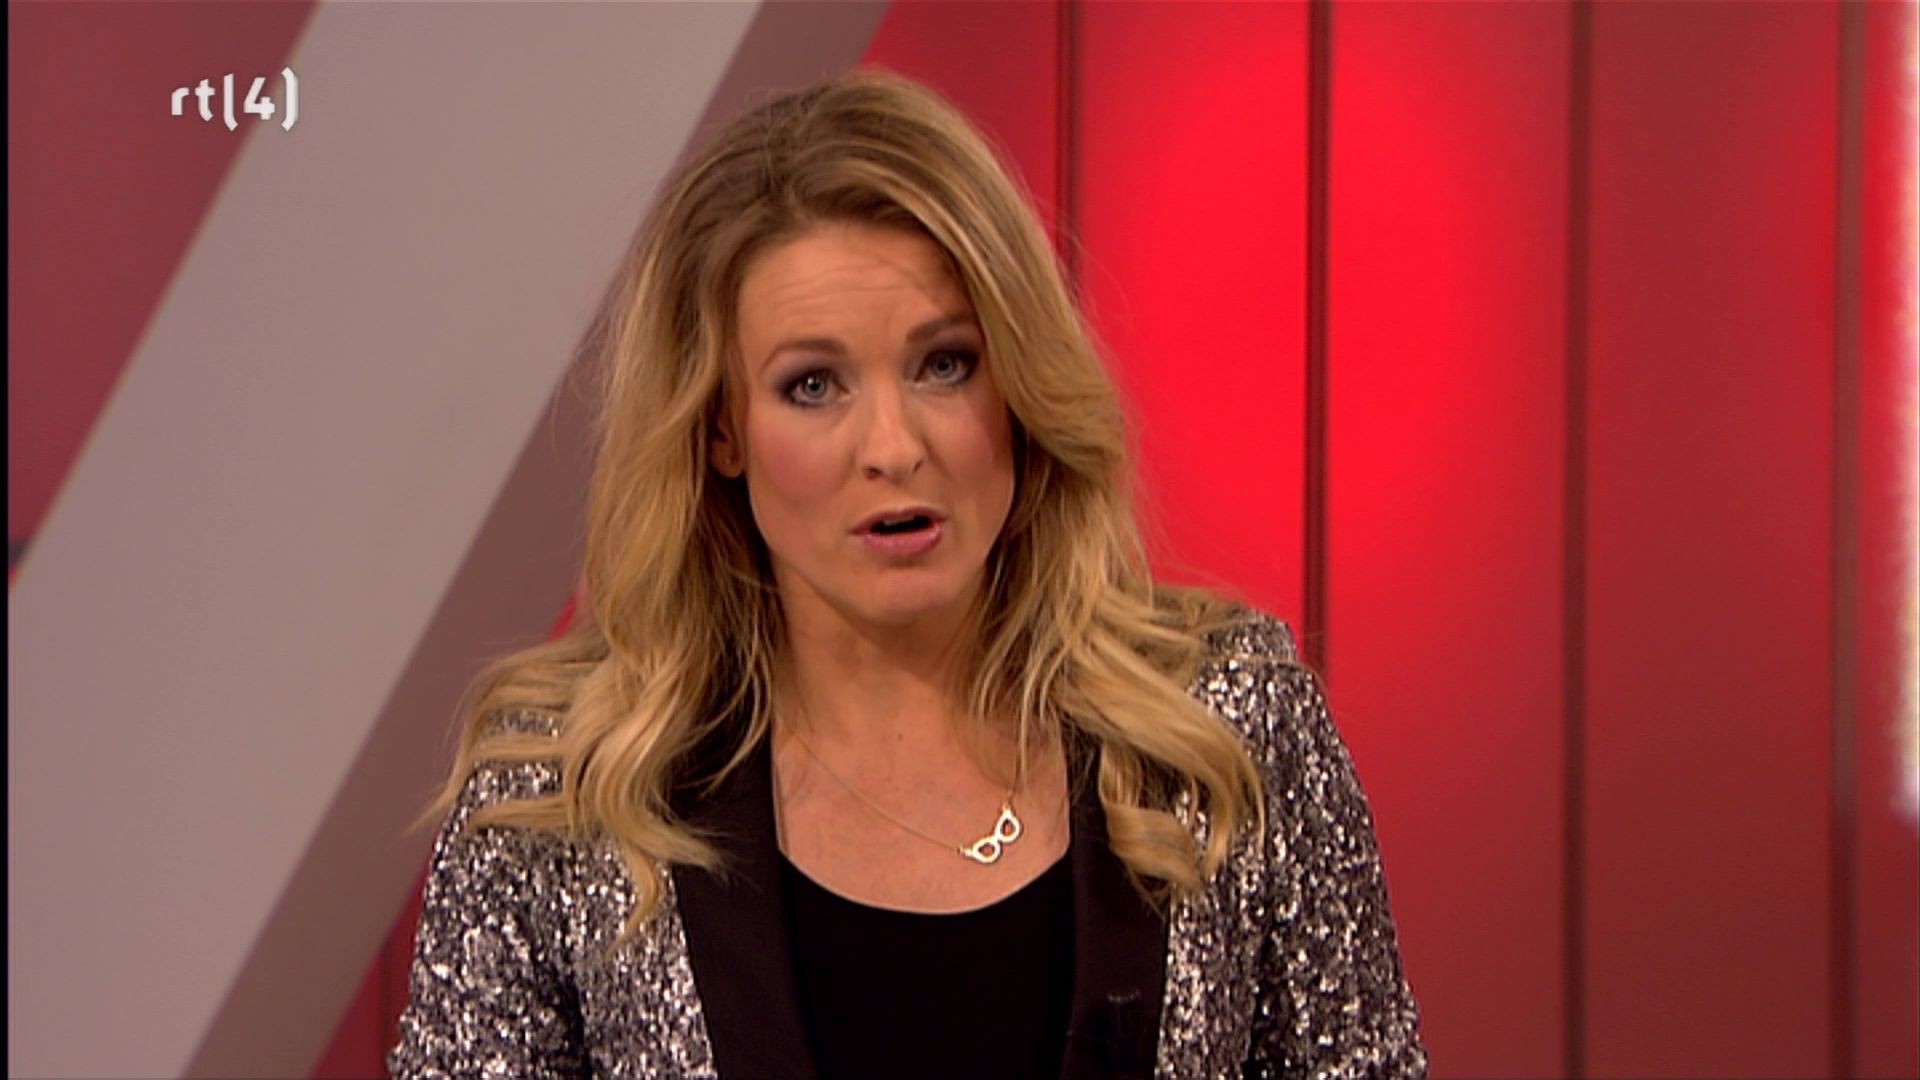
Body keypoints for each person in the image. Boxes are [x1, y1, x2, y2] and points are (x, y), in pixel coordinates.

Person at [390, 69, 1425, 1079]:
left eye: (944, 364)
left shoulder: (1227, 728)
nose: (893, 446)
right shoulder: (562, 792)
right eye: (813, 385)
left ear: (1017, 385)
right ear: (720, 429)